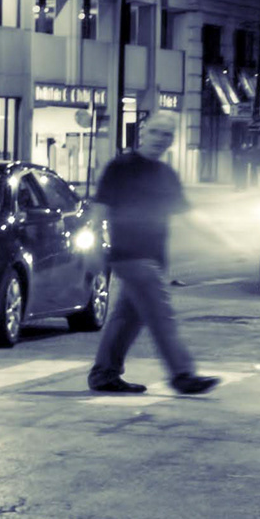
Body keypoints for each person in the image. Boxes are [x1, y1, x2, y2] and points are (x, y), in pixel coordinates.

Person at [90, 121, 222, 397]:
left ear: (172, 141)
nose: (161, 138)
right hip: (129, 255)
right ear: (143, 134)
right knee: (161, 316)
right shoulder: (120, 167)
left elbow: (187, 214)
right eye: (155, 132)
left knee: (127, 318)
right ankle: (182, 374)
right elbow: (100, 208)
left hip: (153, 257)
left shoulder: (166, 174)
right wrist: (96, 248)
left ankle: (104, 373)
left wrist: (222, 239)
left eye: (167, 134)